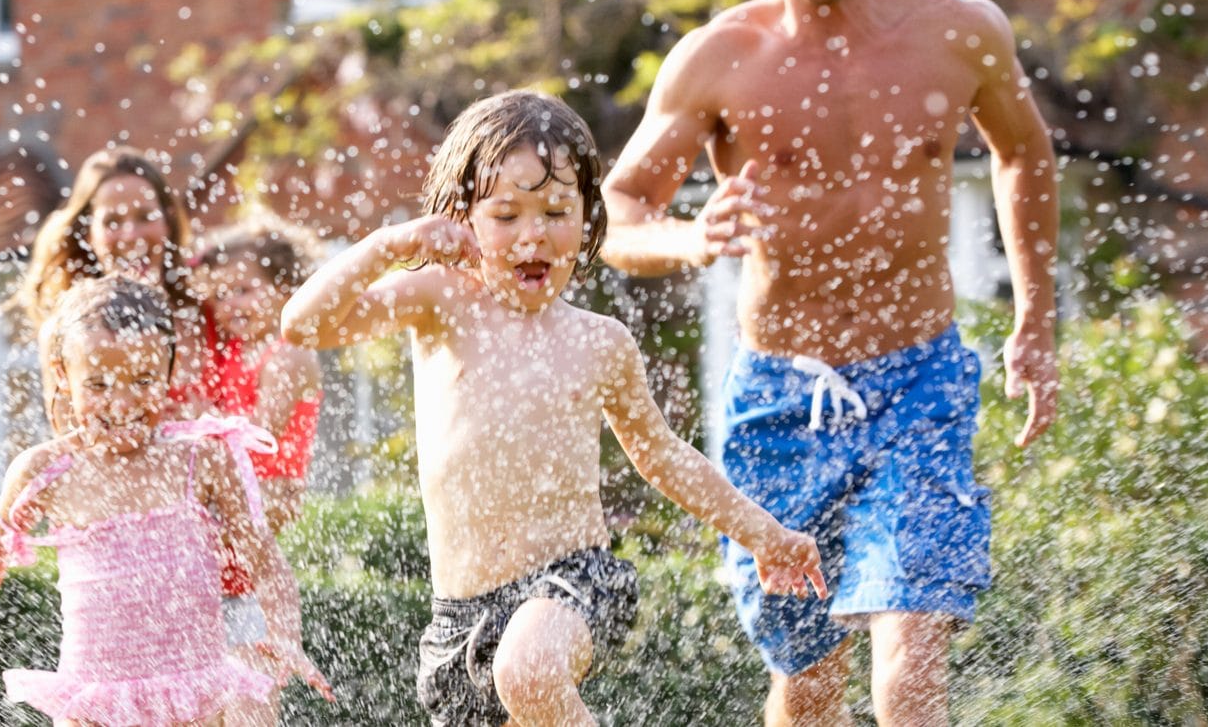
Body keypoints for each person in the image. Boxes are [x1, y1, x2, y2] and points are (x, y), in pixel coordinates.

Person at [598, 0, 1060, 721]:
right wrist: (689, 237)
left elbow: (1022, 152)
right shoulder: (717, 59)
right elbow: (618, 211)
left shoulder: (956, 30)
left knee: (908, 669)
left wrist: (1034, 318)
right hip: (782, 397)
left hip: (918, 381)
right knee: (808, 683)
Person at [281, 90, 827, 727]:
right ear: (463, 219)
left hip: (572, 581)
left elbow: (663, 456)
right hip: (459, 614)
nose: (533, 234)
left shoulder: (599, 341)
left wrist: (764, 534)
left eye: (556, 211)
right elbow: (304, 325)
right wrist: (389, 244)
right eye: (507, 214)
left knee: (529, 671)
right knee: (518, 680)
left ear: (589, 219)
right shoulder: (439, 303)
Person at [0, 276, 330, 727]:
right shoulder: (49, 470)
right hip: (93, 705)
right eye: (99, 384)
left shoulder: (200, 459)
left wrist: (285, 632)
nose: (121, 403)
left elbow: (262, 552)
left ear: (169, 372)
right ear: (65, 377)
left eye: (143, 380)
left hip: (193, 696)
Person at [13, 147, 288, 724]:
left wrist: (282, 469)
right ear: (87, 231)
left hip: (226, 572)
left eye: (145, 214)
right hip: (132, 602)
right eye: (112, 220)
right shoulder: (68, 335)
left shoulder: (203, 311)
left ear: (169, 220)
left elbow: (273, 367)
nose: (131, 232)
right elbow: (82, 453)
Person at [195, 216, 328, 535]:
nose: (230, 304)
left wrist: (205, 418)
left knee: (253, 572)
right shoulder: (237, 348)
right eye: (221, 295)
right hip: (240, 482)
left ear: (285, 289)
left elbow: (265, 432)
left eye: (243, 290)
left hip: (271, 489)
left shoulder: (288, 353)